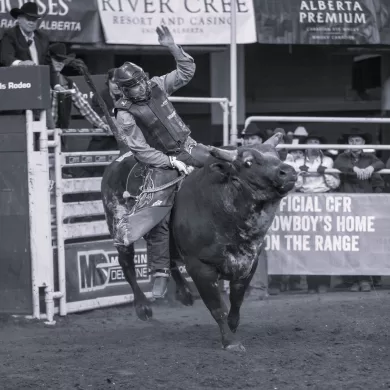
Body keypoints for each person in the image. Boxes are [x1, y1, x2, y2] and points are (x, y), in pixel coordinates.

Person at [111, 25, 235, 299]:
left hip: (191, 146)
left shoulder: (157, 85)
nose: (141, 87)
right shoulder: (124, 113)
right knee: (157, 215)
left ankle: (234, 242)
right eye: (133, 86)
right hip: (159, 163)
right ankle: (160, 274)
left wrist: (171, 46)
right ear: (124, 91)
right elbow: (139, 149)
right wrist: (168, 161)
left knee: (231, 169)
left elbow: (186, 72)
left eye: (142, 81)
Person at [334, 128, 384, 292]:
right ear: (348, 144)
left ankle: (365, 279)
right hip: (348, 204)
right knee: (349, 243)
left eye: (358, 141)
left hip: (366, 205)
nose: (354, 144)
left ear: (363, 143)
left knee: (366, 242)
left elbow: (380, 163)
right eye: (351, 141)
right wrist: (354, 169)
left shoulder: (369, 157)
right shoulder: (343, 157)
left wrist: (370, 168)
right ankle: (353, 279)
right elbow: (338, 164)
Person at [48, 43, 110, 133]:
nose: (60, 63)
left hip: (60, 133)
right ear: (49, 60)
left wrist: (101, 124)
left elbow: (84, 106)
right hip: (39, 132)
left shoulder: (68, 83)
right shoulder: (39, 79)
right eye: (56, 59)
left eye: (62, 60)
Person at [0, 2, 49, 67]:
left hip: (39, 75)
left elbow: (47, 62)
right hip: (18, 75)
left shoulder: (43, 38)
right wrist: (20, 63)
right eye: (28, 19)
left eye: (34, 20)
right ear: (19, 19)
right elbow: (6, 57)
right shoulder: (10, 35)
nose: (31, 23)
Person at [87, 68, 120, 153]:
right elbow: (103, 118)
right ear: (108, 81)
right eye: (113, 82)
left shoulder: (129, 98)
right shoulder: (98, 97)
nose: (116, 85)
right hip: (103, 139)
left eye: (119, 82)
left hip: (123, 141)